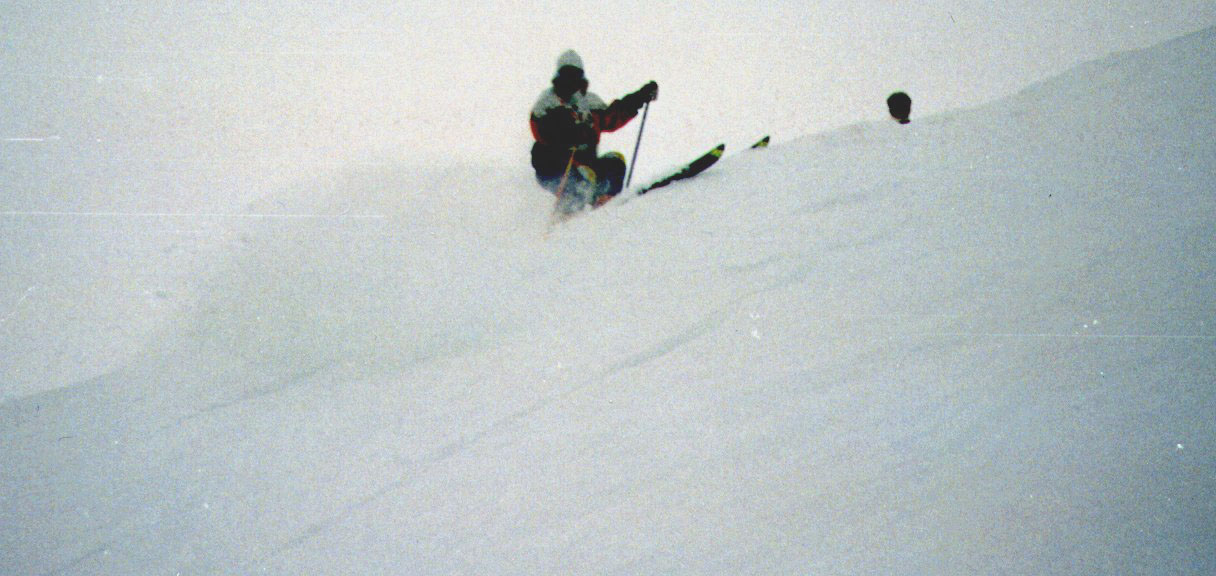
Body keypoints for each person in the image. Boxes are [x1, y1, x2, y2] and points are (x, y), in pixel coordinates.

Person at [530, 50, 658, 212]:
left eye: (574, 76)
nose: (570, 82)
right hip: (555, 167)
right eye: (566, 76)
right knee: (583, 178)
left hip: (586, 165)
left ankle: (607, 204)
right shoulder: (548, 103)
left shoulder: (588, 102)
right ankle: (567, 216)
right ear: (558, 78)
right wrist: (564, 131)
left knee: (615, 162)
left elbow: (611, 117)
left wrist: (640, 97)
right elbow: (540, 130)